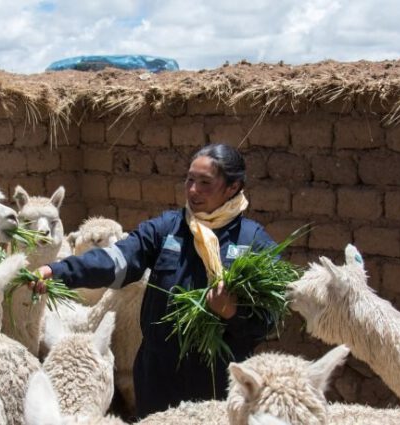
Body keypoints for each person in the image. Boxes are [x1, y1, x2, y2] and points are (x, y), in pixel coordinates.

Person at [29, 143, 277, 417]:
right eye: (190, 180)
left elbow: (267, 319)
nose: (193, 190)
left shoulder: (253, 243)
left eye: (205, 183)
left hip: (217, 382)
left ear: (233, 187)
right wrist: (58, 270)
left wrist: (233, 312)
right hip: (159, 378)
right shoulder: (168, 230)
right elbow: (116, 260)